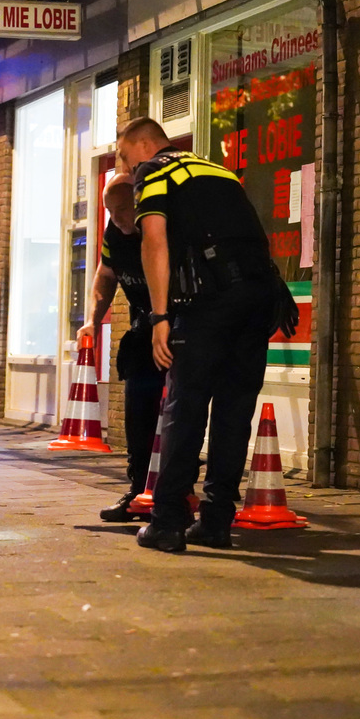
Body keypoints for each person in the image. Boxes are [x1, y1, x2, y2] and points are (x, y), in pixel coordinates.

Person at [118, 116, 295, 553]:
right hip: (257, 300)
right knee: (235, 411)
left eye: (124, 156)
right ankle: (216, 522)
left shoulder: (154, 171)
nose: (125, 167)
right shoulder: (217, 170)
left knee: (186, 406)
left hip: (208, 304)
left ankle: (167, 523)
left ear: (144, 146)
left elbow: (154, 241)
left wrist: (160, 316)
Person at [77, 170, 166, 522]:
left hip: (175, 327)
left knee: (172, 414)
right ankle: (138, 488)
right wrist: (93, 318)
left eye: (122, 211)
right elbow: (106, 274)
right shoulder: (115, 232)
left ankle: (177, 490)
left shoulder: (160, 224)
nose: (116, 219)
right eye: (110, 212)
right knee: (137, 412)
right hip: (144, 328)